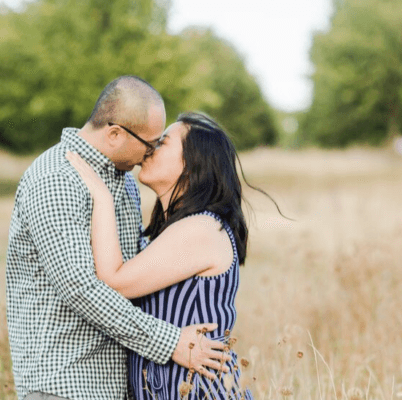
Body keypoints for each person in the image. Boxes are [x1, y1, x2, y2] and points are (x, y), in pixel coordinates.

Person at [5, 76, 230, 400]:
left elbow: (130, 273)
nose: (150, 153)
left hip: (115, 385)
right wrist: (171, 342)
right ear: (115, 134)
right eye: (150, 143)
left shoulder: (123, 181)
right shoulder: (57, 179)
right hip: (66, 383)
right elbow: (82, 289)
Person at [66, 112, 264, 399]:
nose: (148, 148)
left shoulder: (201, 228)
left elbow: (113, 282)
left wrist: (102, 196)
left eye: (161, 144)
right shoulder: (176, 230)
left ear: (192, 164)